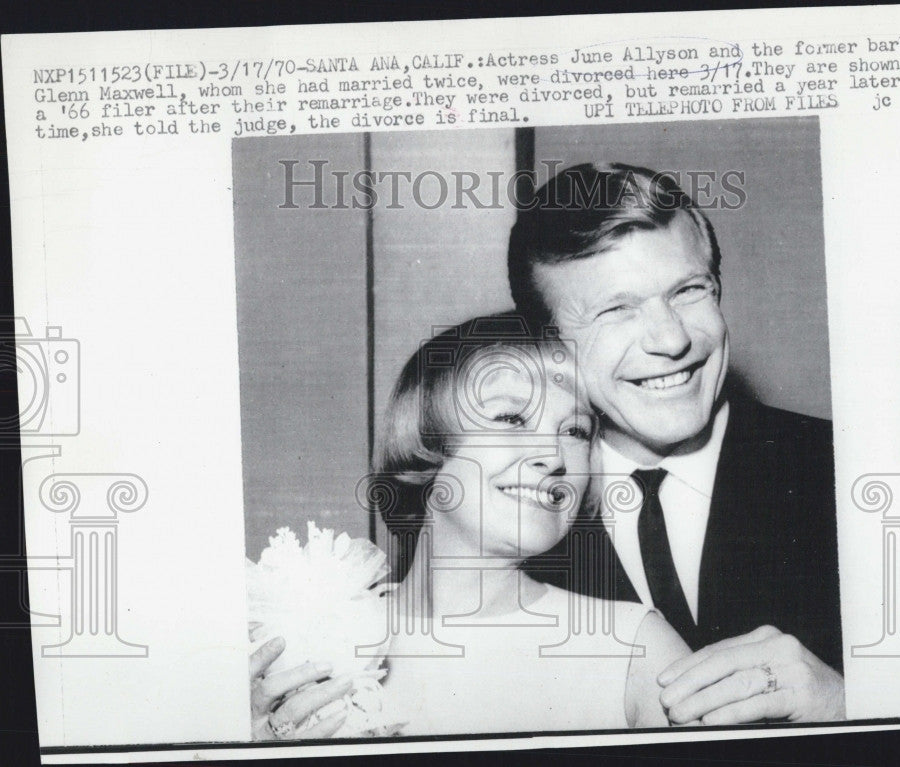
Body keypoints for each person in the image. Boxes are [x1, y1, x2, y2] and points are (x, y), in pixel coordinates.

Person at [511, 163, 845, 724]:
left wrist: (851, 706)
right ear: (547, 344)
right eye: (616, 309)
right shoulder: (505, 519)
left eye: (689, 290)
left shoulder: (847, 470)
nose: (672, 339)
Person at [251, 315, 690, 737]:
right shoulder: (300, 636)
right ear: (428, 439)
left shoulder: (637, 649)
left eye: (574, 431)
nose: (554, 457)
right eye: (511, 419)